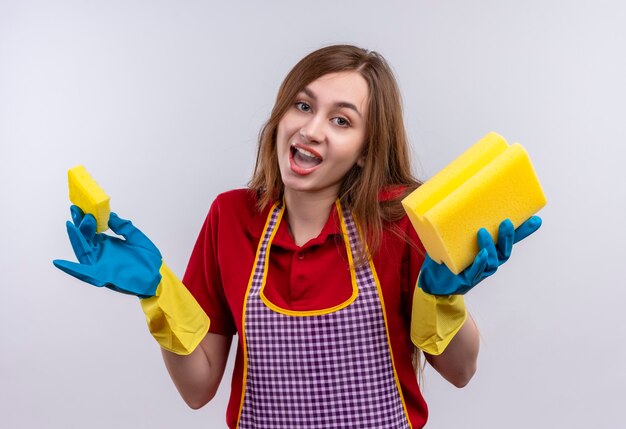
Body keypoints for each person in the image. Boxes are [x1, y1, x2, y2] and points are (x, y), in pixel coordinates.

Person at [54, 44, 542, 428]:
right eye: (303, 105)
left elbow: (460, 372)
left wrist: (444, 297)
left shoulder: (400, 223)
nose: (311, 129)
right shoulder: (231, 217)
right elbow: (198, 388)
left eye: (341, 120)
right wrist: (160, 295)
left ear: (366, 150)